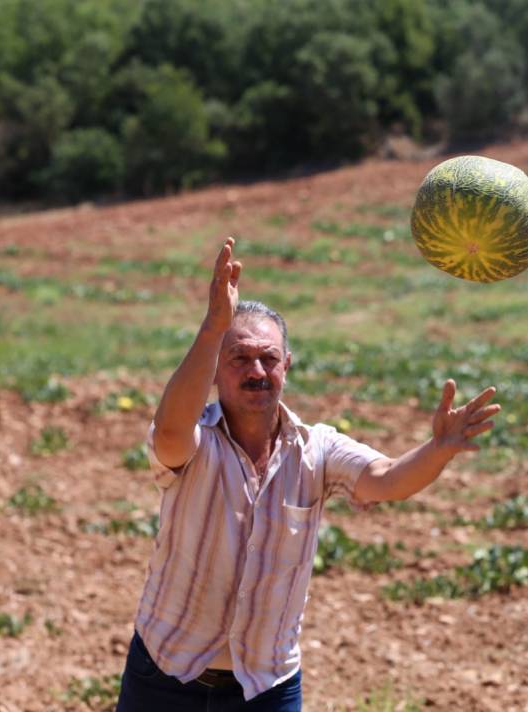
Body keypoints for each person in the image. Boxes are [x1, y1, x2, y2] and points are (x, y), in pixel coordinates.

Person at [116, 237, 501, 711]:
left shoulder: (315, 449)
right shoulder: (196, 438)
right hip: (166, 673)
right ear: (216, 370)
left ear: (288, 366)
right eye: (238, 359)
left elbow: (386, 479)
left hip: (266, 684)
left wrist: (438, 449)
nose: (257, 370)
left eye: (269, 358)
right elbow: (171, 431)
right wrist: (215, 326)